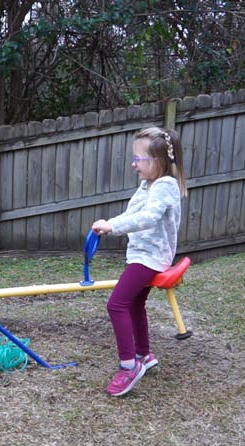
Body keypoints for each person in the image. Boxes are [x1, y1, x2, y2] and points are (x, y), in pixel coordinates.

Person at [90, 127, 187, 396]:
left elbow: (148, 218)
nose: (134, 164)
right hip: (143, 255)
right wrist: (110, 223)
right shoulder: (148, 185)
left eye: (138, 159)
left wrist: (112, 226)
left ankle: (128, 366)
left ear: (157, 161)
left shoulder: (165, 186)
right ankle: (143, 354)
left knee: (116, 304)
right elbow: (133, 213)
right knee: (134, 304)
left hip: (151, 258)